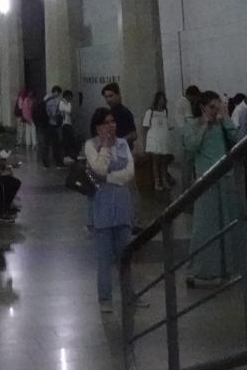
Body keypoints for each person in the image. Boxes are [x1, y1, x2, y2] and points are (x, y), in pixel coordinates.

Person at [181, 91, 240, 287]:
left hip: (224, 178)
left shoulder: (222, 125)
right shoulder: (193, 125)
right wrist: (204, 126)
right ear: (203, 107)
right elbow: (190, 147)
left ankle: (227, 268)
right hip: (206, 181)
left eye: (218, 106)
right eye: (212, 107)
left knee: (226, 224)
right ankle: (198, 269)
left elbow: (238, 139)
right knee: (204, 227)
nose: (216, 111)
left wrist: (226, 119)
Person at [85, 107, 137, 312]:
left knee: (125, 255)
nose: (111, 126)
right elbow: (97, 168)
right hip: (102, 205)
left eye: (113, 121)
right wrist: (105, 148)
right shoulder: (91, 145)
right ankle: (105, 298)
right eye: (106, 122)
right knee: (104, 258)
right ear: (97, 127)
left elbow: (129, 172)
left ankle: (129, 294)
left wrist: (108, 178)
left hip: (122, 204)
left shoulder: (123, 144)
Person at [142, 91, 172, 192]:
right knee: (155, 162)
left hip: (163, 139)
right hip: (154, 140)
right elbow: (145, 127)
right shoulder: (150, 112)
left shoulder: (165, 111)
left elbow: (168, 124)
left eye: (163, 100)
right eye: (160, 99)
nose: (161, 102)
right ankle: (157, 182)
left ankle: (165, 181)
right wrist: (145, 144)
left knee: (164, 162)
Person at [101, 83, 137, 148]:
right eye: (106, 97)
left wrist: (120, 141)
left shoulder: (125, 112)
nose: (108, 100)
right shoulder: (108, 113)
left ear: (118, 95)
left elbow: (134, 135)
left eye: (111, 96)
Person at [38, 85, 62, 168]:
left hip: (44, 125)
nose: (59, 95)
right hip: (51, 124)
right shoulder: (53, 100)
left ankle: (46, 163)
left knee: (46, 144)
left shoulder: (45, 98)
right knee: (55, 143)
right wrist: (58, 114)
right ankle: (57, 162)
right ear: (56, 92)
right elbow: (53, 114)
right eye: (59, 93)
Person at [58, 89, 78, 164]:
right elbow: (69, 110)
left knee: (70, 140)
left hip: (68, 123)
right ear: (67, 96)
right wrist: (69, 104)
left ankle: (70, 155)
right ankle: (66, 156)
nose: (71, 98)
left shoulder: (65, 103)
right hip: (65, 124)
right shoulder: (62, 103)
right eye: (70, 96)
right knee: (67, 140)